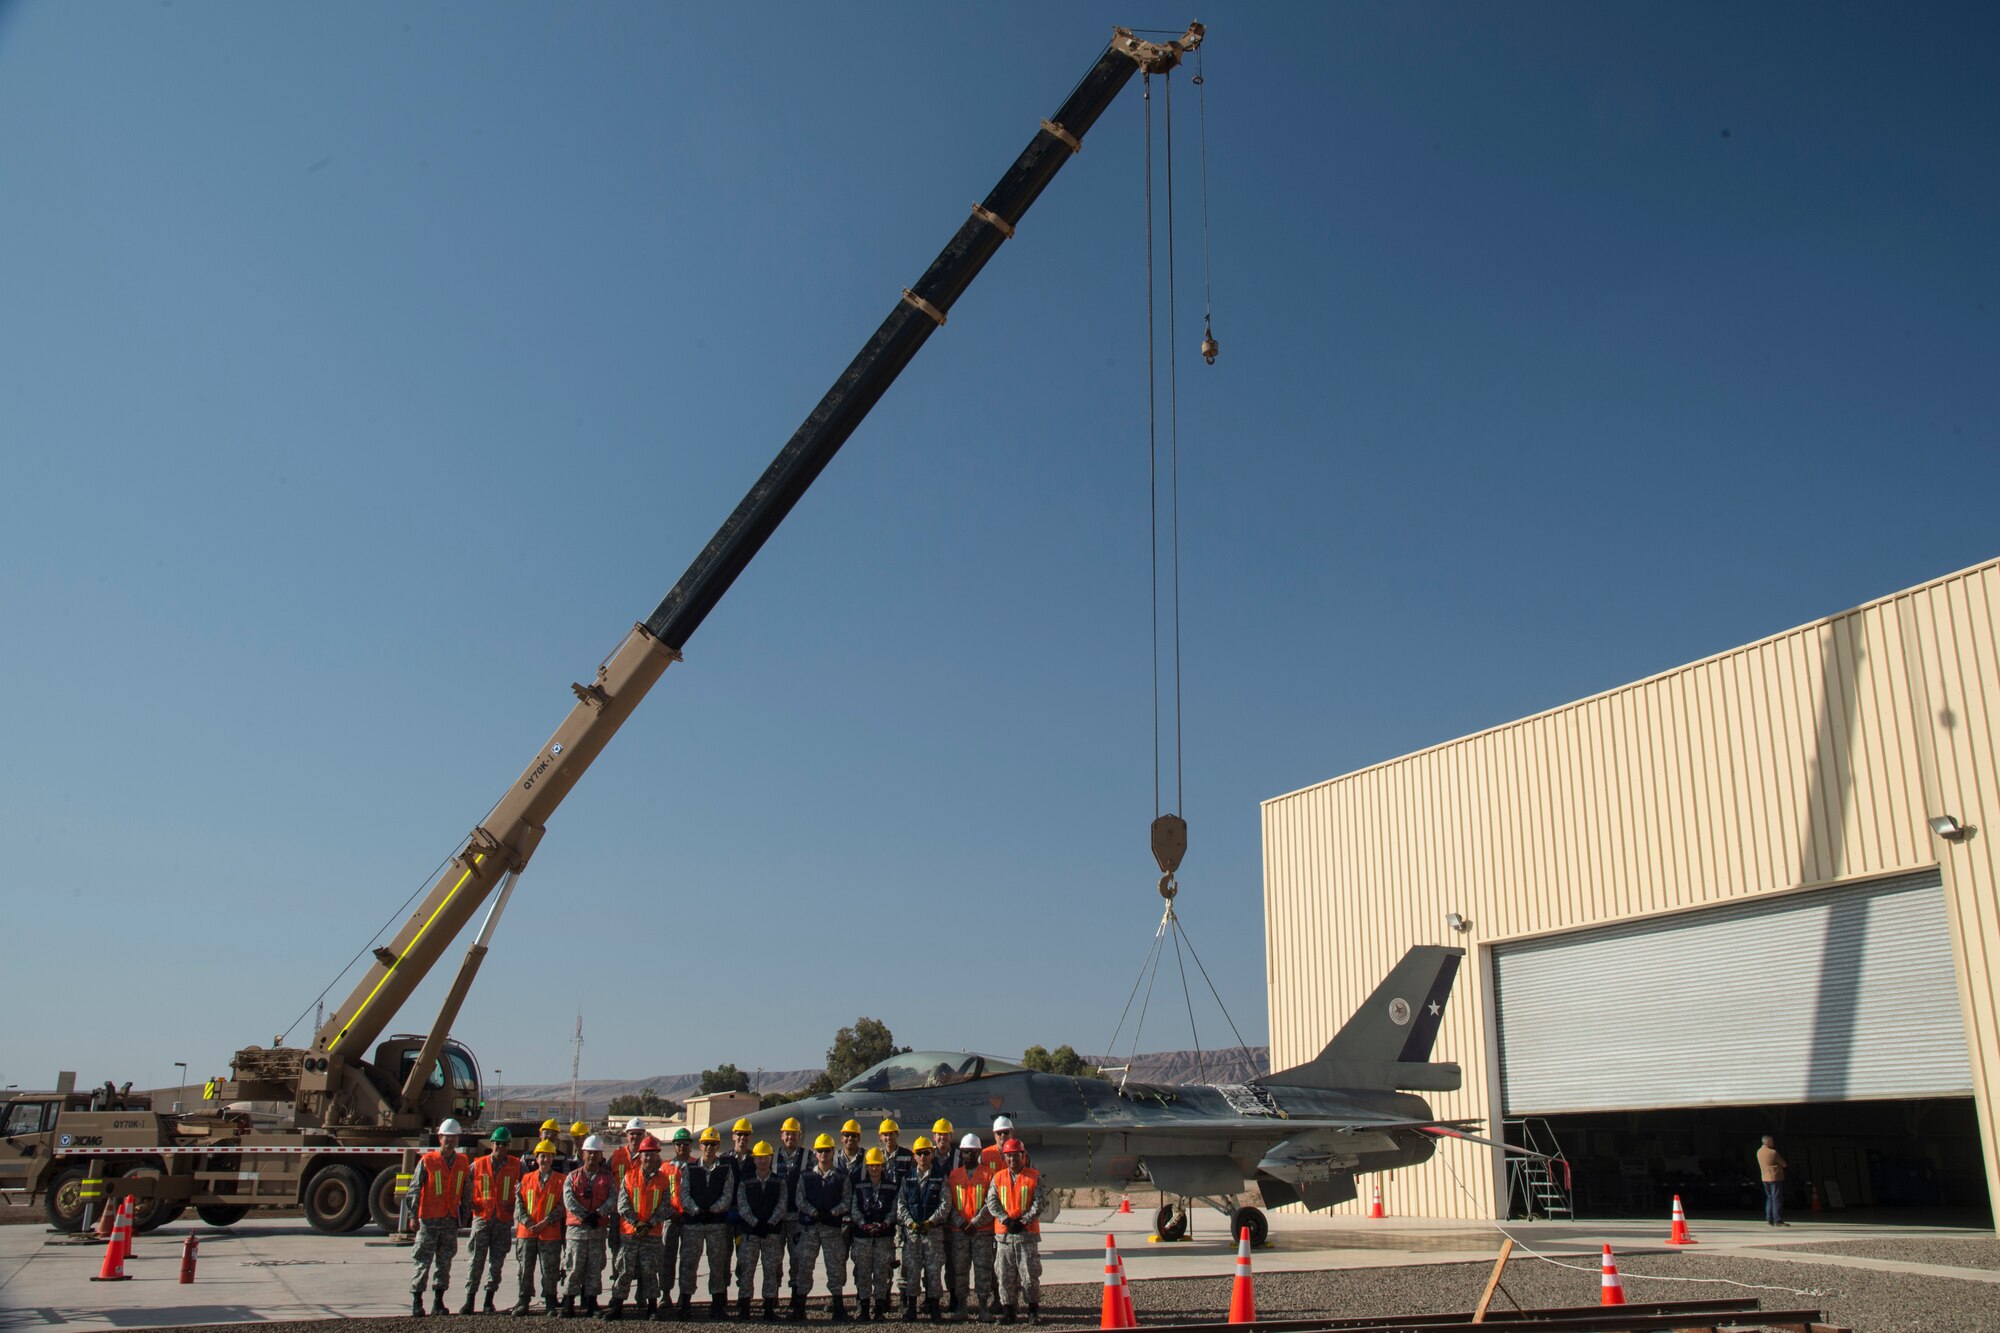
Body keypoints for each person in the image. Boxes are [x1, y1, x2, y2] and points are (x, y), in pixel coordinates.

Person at [407, 1118, 472, 1318]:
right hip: (428, 1219)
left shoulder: (462, 1162)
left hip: (449, 1219)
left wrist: (464, 1215)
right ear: (440, 1138)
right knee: (423, 1261)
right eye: (447, 1138)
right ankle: (417, 1302)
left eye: (453, 1138)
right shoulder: (428, 1161)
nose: (450, 1141)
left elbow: (466, 1191)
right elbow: (415, 1189)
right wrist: (412, 1215)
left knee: (444, 1262)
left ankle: (438, 1301)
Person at [610, 1135, 677, 1321]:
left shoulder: (663, 1180)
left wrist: (649, 1224)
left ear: (657, 1156)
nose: (648, 1158)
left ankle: (652, 1308)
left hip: (652, 1234)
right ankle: (617, 1307)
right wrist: (636, 1224)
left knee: (650, 1271)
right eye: (645, 1155)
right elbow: (622, 1205)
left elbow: (666, 1206)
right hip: (630, 1234)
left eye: (652, 1154)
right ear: (640, 1157)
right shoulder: (629, 1177)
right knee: (624, 1270)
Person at [793, 1132, 853, 1323]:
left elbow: (847, 1200)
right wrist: (813, 1212)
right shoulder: (807, 1176)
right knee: (804, 1268)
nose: (824, 1154)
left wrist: (833, 1213)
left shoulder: (841, 1178)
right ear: (815, 1153)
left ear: (832, 1152)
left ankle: (839, 1308)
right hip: (810, 1229)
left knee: (835, 1268)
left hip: (832, 1229)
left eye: (827, 1151)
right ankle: (799, 1309)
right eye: (820, 1151)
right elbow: (799, 1199)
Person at [679, 1126, 736, 1320]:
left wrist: (712, 1210)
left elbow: (727, 1195)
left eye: (713, 1144)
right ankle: (685, 1303)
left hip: (716, 1225)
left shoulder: (725, 1169)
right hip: (693, 1225)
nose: (709, 1148)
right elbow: (684, 1194)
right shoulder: (690, 1168)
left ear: (718, 1146)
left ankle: (717, 1305)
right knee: (688, 1264)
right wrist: (696, 1211)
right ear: (700, 1146)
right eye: (706, 1144)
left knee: (717, 1264)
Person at [463, 1126, 522, 1314]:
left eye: (505, 1145)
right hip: (482, 1219)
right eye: (498, 1144)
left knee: (496, 1263)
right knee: (476, 1261)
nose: (501, 1148)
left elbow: (526, 1185)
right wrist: (470, 1203)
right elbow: (465, 1184)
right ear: (492, 1144)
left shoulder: (516, 1165)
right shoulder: (478, 1164)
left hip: (502, 1221)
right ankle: (469, 1299)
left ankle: (489, 1300)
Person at [985, 1140, 1041, 1325]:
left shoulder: (1033, 1177)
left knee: (1029, 1275)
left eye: (1016, 1155)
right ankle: (1009, 1311)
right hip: (1004, 1236)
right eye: (1009, 1156)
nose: (1012, 1159)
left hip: (1026, 1235)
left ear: (1023, 1156)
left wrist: (1023, 1221)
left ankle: (1033, 1312)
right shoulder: (998, 1178)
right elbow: (992, 1202)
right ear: (1005, 1157)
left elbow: (1039, 1202)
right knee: (1004, 1275)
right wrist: (1006, 1220)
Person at [562, 1134, 618, 1317]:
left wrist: (599, 1213)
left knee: (595, 1267)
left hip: (597, 1230)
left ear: (601, 1155)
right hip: (577, 1231)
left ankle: (592, 1303)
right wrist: (585, 1215)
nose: (592, 1156)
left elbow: (613, 1198)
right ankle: (569, 1302)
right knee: (574, 1267)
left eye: (596, 1153)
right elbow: (568, 1199)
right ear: (583, 1154)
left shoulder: (608, 1178)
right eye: (589, 1153)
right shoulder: (573, 1177)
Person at [896, 1138, 952, 1323]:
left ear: (932, 1154)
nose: (923, 1156)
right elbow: (901, 1205)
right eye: (919, 1153)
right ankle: (911, 1307)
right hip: (912, 1233)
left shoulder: (940, 1176)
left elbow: (945, 1204)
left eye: (926, 1153)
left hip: (933, 1233)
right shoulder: (908, 1178)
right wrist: (910, 1223)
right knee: (912, 1270)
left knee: (933, 1271)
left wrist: (931, 1221)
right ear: (914, 1156)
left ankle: (934, 1307)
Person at [511, 1138, 567, 1317]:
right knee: (525, 1269)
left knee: (550, 1269)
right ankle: (523, 1300)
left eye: (549, 1156)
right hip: (527, 1233)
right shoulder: (526, 1179)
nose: (546, 1160)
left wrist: (546, 1222)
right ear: (536, 1159)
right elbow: (519, 1204)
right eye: (542, 1156)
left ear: (553, 1159)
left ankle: (550, 1301)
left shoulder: (561, 1181)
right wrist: (528, 1223)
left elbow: (562, 1206)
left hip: (549, 1233)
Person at [945, 1134, 996, 1323]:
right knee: (960, 1270)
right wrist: (961, 1222)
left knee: (983, 1270)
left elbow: (992, 1203)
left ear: (978, 1152)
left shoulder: (988, 1175)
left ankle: (984, 1308)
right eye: (966, 1152)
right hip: (960, 1232)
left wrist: (974, 1222)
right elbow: (948, 1204)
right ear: (962, 1153)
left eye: (973, 1152)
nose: (969, 1155)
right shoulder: (954, 1175)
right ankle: (962, 1308)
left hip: (981, 1232)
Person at [736, 1141, 788, 1321]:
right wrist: (755, 1223)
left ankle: (769, 1307)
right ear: (754, 1160)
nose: (763, 1161)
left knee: (771, 1270)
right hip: (750, 1233)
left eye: (766, 1158)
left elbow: (782, 1205)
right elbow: (742, 1206)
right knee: (746, 1269)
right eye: (759, 1158)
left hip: (771, 1233)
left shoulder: (778, 1181)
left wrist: (770, 1224)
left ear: (771, 1158)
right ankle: (744, 1307)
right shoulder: (746, 1181)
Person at [849, 1149, 898, 1321]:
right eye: (871, 1166)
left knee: (881, 1273)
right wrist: (864, 1225)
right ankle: (863, 1309)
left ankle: (879, 1309)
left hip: (883, 1237)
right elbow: (854, 1209)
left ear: (882, 1166)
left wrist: (884, 1224)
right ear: (867, 1167)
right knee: (863, 1273)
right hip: (863, 1237)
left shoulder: (891, 1187)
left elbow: (894, 1209)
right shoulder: (860, 1186)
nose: (874, 1169)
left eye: (877, 1166)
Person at [772, 1118, 809, 1302]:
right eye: (787, 1134)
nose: (790, 1137)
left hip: (797, 1218)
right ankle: (773, 1296)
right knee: (775, 1258)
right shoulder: (772, 1157)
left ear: (799, 1136)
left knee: (797, 1258)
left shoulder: (807, 1157)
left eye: (794, 1134)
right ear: (782, 1135)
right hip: (777, 1220)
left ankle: (796, 1297)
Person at [607, 1118, 649, 1276]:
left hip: (641, 1213)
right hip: (619, 1213)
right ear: (627, 1135)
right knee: (616, 1246)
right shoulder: (617, 1156)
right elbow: (608, 1181)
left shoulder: (649, 1156)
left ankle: (640, 1291)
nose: (635, 1137)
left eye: (639, 1134)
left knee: (642, 1251)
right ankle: (617, 1283)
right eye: (632, 1134)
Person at [926, 1122, 957, 1316]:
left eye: (945, 1135)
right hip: (933, 1220)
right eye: (938, 1135)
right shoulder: (927, 1156)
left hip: (953, 1219)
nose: (942, 1138)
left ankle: (955, 1298)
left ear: (950, 1137)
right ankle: (931, 1298)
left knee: (953, 1263)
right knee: (931, 1261)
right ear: (934, 1136)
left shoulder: (958, 1157)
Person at [662, 1128, 696, 1305]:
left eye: (685, 1144)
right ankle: (665, 1294)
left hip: (690, 1220)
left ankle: (685, 1296)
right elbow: (659, 1194)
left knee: (688, 1260)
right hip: (671, 1219)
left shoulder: (697, 1165)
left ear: (691, 1146)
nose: (682, 1147)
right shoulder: (665, 1167)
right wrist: (670, 1213)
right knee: (667, 1257)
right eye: (678, 1144)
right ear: (674, 1146)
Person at [1758, 1135, 1789, 1227]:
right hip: (1774, 1177)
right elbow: (1784, 1164)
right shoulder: (1773, 1152)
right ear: (1767, 1142)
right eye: (1771, 1141)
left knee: (1769, 1198)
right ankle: (1778, 1220)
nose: (1773, 1143)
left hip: (1764, 1177)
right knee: (1777, 1198)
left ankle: (1769, 1218)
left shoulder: (1759, 1152)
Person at [875, 1120, 915, 1189]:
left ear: (897, 1134)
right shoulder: (876, 1155)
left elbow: (913, 1179)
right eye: (885, 1135)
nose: (888, 1138)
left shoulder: (908, 1155)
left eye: (891, 1134)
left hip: (901, 1196)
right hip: (882, 1196)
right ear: (881, 1137)